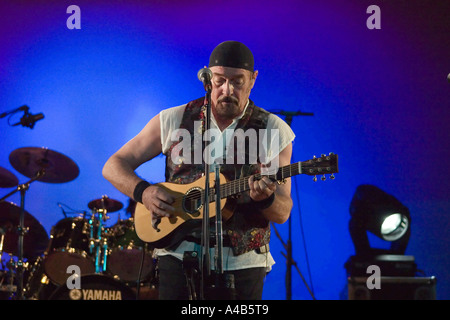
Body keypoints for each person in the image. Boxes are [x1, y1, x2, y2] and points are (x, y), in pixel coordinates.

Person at [102, 41, 295, 300]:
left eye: (238, 81)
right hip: (178, 257)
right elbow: (113, 166)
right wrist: (144, 193)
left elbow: (282, 212)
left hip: (243, 264)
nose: (228, 90)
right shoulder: (173, 119)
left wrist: (267, 198)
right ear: (207, 77)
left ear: (253, 79)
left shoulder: (272, 130)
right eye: (220, 80)